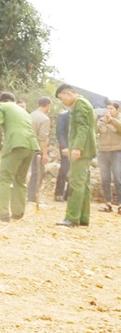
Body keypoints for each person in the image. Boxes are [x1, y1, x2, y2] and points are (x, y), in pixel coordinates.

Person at [0, 92, 40, 221]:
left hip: (16, 144)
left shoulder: (1, 106)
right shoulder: (23, 111)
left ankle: (2, 212)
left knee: (4, 178)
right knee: (20, 179)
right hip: (31, 145)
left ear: (1, 100)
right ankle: (18, 212)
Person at [55, 85, 97, 227]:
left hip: (82, 151)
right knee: (84, 185)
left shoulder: (80, 105)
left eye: (62, 98)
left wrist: (77, 148)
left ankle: (72, 218)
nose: (63, 102)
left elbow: (82, 128)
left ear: (68, 93)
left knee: (76, 183)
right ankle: (83, 217)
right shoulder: (82, 104)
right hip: (86, 150)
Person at [96, 101, 121, 212]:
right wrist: (95, 119)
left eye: (111, 109)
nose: (109, 111)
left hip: (117, 151)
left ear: (117, 110)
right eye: (107, 108)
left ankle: (120, 203)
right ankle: (108, 203)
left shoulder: (119, 120)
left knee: (118, 178)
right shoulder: (102, 121)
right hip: (103, 151)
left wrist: (112, 120)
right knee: (105, 178)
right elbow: (95, 130)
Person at [27, 96, 52, 203]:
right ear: (48, 105)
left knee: (31, 172)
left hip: (26, 146)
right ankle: (33, 196)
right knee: (38, 173)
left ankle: (29, 195)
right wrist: (45, 153)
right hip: (36, 149)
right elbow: (43, 138)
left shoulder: (30, 115)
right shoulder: (44, 119)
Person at [54, 108, 71, 201]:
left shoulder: (80, 115)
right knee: (64, 169)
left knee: (74, 171)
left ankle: (69, 194)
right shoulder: (63, 115)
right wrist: (64, 146)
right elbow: (59, 133)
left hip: (77, 146)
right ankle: (59, 193)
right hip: (66, 146)